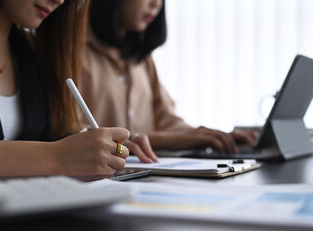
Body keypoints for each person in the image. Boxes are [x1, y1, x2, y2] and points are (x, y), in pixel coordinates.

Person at [0, 0, 144, 177]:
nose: (59, 1)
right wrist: (57, 157)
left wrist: (106, 145)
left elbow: (51, 135)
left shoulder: (30, 56)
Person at [79, 0, 258, 154]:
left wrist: (211, 136)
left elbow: (167, 122)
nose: (156, 4)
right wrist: (171, 140)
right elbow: (75, 135)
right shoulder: (73, 53)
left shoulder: (141, 58)